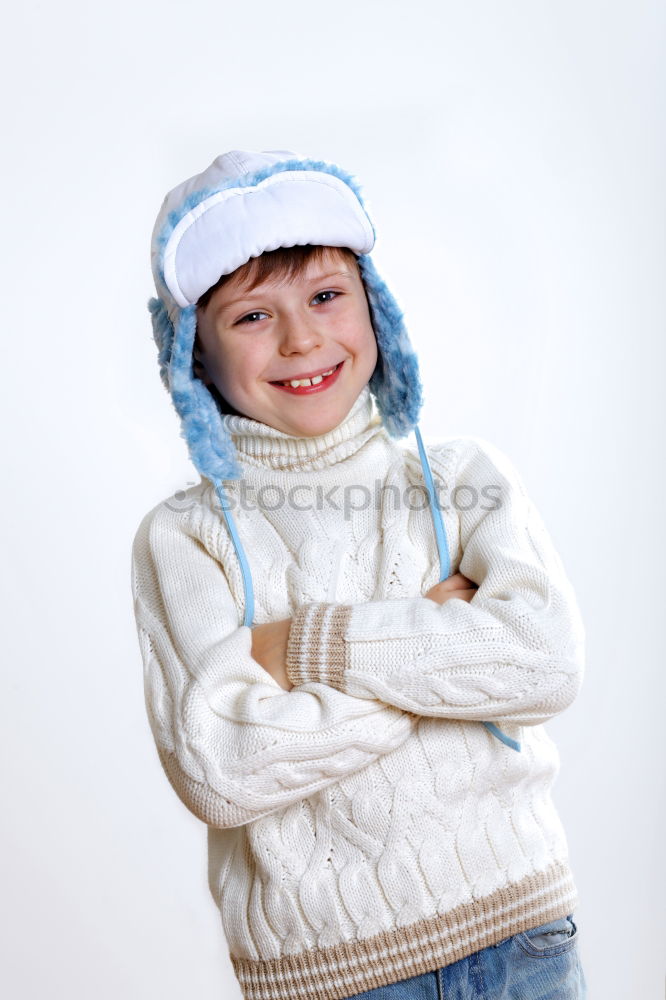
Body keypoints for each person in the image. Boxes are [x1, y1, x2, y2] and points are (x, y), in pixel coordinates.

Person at [131, 149, 588, 999]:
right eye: (252, 317)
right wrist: (436, 648)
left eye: (327, 296)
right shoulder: (184, 539)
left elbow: (546, 663)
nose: (303, 339)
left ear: (376, 308)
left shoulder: (460, 478)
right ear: (195, 359)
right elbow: (222, 764)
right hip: (335, 973)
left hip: (523, 933)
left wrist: (303, 646)